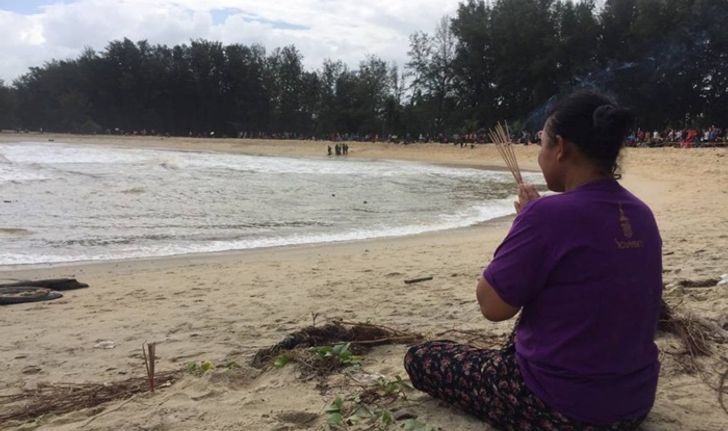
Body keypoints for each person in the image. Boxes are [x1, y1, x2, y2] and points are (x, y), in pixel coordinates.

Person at [404, 91, 662, 430]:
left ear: (561, 148)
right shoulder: (641, 213)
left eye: (541, 144)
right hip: (634, 399)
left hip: (562, 405)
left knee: (421, 358)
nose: (539, 156)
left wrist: (523, 225)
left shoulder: (547, 215)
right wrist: (535, 221)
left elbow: (492, 306)